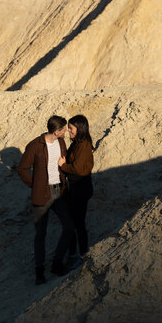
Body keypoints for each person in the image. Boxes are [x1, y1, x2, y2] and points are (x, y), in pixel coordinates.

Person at [18, 115, 74, 285]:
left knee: (69, 227)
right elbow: (22, 169)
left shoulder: (61, 142)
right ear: (56, 131)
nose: (66, 131)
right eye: (64, 129)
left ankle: (56, 263)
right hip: (41, 194)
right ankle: (39, 272)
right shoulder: (35, 146)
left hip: (59, 192)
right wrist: (34, 185)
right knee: (40, 234)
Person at [58, 114, 94, 269]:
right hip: (76, 189)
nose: (69, 131)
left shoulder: (84, 145)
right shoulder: (77, 143)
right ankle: (75, 255)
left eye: (71, 128)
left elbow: (78, 169)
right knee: (74, 223)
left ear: (79, 129)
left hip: (81, 189)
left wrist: (62, 166)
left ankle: (82, 256)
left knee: (78, 224)